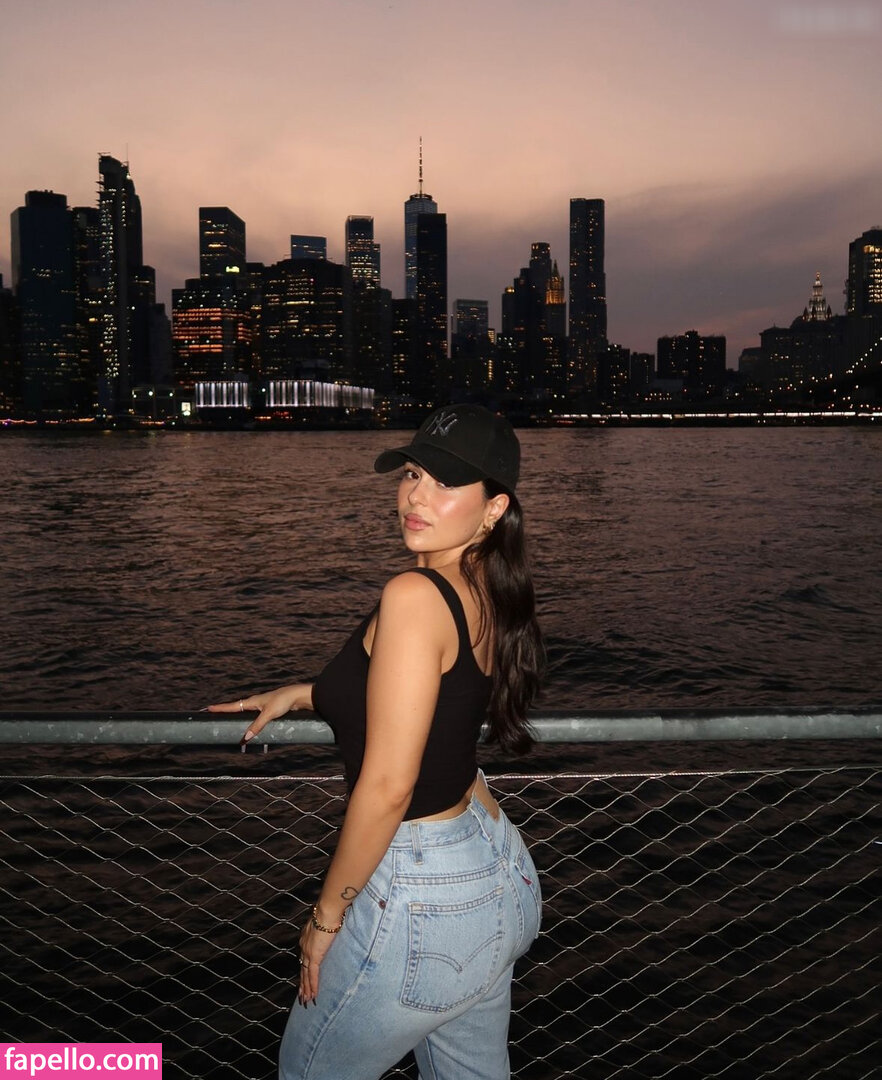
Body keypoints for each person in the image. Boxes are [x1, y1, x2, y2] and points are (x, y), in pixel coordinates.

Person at [210, 404, 544, 1080]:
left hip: (424, 889)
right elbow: (434, 701)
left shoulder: (416, 594)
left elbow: (390, 786)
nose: (417, 496)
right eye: (413, 473)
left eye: (446, 483)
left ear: (493, 508)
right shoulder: (486, 586)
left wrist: (326, 919)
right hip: (494, 865)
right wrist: (311, 693)